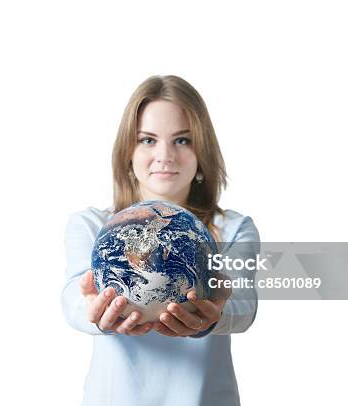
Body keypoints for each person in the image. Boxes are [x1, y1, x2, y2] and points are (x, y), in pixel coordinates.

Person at [61, 75, 260, 406]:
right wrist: (93, 310)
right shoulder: (92, 225)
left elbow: (244, 303)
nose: (165, 155)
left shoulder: (234, 228)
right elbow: (72, 296)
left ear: (202, 153)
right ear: (128, 151)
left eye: (182, 140)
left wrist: (215, 315)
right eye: (148, 140)